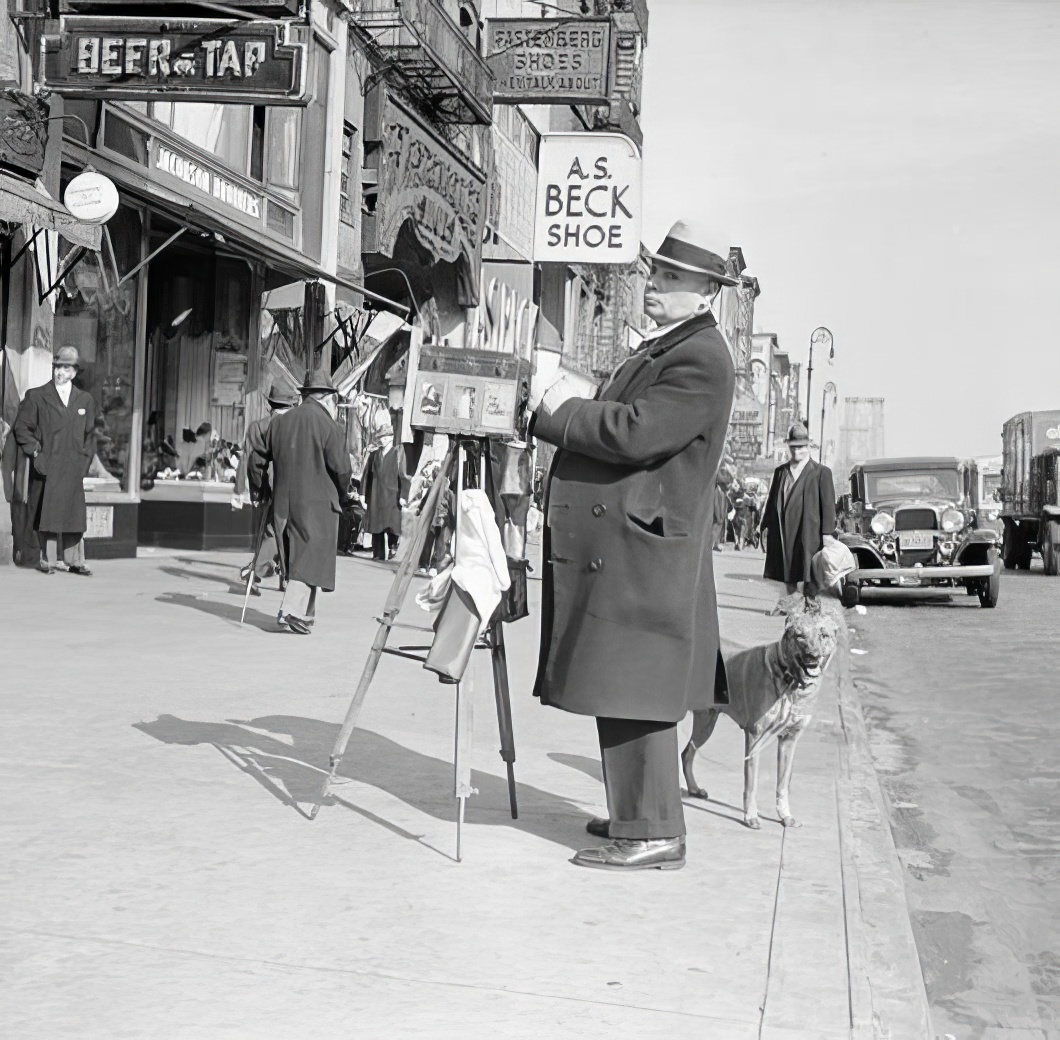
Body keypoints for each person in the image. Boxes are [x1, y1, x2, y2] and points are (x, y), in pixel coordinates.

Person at [529, 219, 736, 872]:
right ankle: (633, 815)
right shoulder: (673, 346)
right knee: (619, 685)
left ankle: (654, 831)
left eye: (671, 278)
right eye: (656, 272)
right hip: (639, 548)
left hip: (648, 554)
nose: (655, 284)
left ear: (706, 291)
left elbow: (636, 432)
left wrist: (557, 410)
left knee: (637, 691)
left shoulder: (700, 356)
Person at [250, 366, 352, 635]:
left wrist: (259, 488)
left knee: (302, 557)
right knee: (308, 558)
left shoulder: (280, 422)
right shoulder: (329, 425)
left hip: (284, 501)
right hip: (317, 504)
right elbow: (342, 469)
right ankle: (291, 611)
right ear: (327, 397)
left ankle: (305, 614)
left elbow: (257, 457)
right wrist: (342, 494)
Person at [12, 346, 96, 576]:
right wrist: (37, 453)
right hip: (47, 467)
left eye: (65, 368)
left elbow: (90, 435)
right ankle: (44, 558)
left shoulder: (84, 399)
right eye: (57, 367)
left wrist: (84, 462)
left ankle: (73, 560)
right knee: (44, 514)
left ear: (74, 372)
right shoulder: (37, 396)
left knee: (72, 515)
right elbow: (22, 428)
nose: (60, 372)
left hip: (72, 468)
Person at [233, 382, 299, 594]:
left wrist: (254, 491)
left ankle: (277, 575)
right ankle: (257, 571)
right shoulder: (296, 427)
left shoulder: (256, 427)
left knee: (271, 530)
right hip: (290, 488)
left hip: (266, 484)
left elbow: (251, 461)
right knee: (278, 532)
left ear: (270, 403)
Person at [760, 422, 838, 595]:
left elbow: (828, 506)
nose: (796, 451)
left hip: (809, 532)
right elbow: (772, 502)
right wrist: (765, 526)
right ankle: (789, 604)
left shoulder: (821, 473)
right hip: (784, 532)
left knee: (810, 572)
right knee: (787, 571)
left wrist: (827, 534)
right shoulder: (780, 472)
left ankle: (811, 607)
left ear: (808, 446)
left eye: (801, 447)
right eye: (793, 447)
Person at [362, 418, 408, 561]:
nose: (382, 440)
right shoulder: (374, 454)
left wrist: (403, 495)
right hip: (376, 493)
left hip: (392, 495)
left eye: (385, 437)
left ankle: (393, 546)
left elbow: (404, 475)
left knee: (392, 524)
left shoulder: (398, 454)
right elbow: (366, 475)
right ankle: (378, 553)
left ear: (391, 438)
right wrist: (363, 494)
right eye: (381, 437)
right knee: (376, 524)